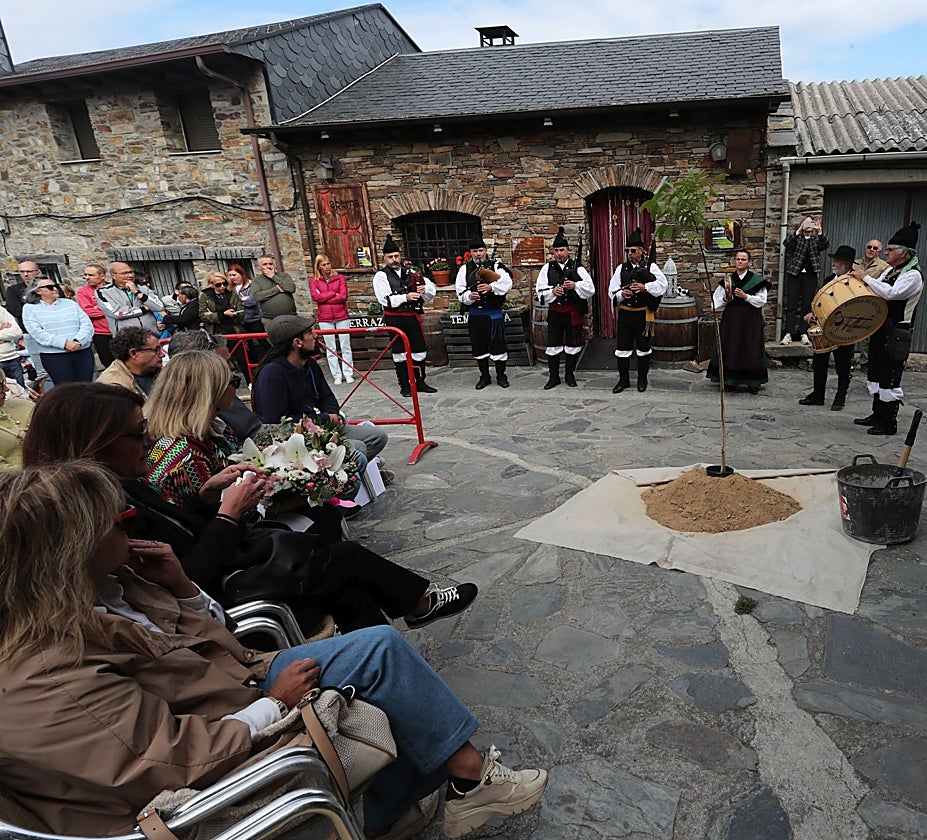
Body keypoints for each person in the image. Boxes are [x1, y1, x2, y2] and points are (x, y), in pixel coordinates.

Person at [0, 460, 544, 839]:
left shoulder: (112, 585)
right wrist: (274, 703)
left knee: (375, 644)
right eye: (119, 521)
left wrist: (183, 588)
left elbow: (217, 638)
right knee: (369, 637)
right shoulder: (45, 672)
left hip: (228, 682)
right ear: (74, 549)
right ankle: (463, 779)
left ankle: (422, 796)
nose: (131, 525)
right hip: (213, 744)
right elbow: (164, 762)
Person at [23, 382, 475, 635]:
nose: (148, 439)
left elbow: (176, 529)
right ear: (98, 443)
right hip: (223, 597)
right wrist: (228, 513)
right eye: (138, 433)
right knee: (343, 557)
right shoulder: (99, 517)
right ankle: (416, 607)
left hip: (232, 568)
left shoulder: (124, 483)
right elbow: (183, 576)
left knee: (349, 587)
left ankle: (385, 676)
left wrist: (207, 497)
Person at [252, 315, 391, 476]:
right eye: (310, 333)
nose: (316, 335)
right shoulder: (272, 374)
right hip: (294, 443)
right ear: (297, 343)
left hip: (320, 428)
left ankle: (356, 474)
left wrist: (332, 413)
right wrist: (323, 419)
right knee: (358, 449)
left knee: (377, 437)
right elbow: (276, 424)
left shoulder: (309, 364)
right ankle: (347, 481)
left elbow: (326, 396)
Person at [851, 221, 924, 436]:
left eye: (890, 249)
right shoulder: (890, 271)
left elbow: (891, 293)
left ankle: (888, 422)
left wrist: (865, 278)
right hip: (881, 328)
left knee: (889, 377)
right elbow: (877, 289)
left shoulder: (913, 275)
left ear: (904, 253)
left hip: (897, 333)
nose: (886, 253)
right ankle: (877, 414)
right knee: (875, 372)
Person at [169, 329, 262, 440]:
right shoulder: (186, 441)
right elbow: (251, 431)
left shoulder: (212, 415)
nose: (232, 366)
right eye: (224, 362)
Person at [374, 236, 437, 396]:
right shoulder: (381, 276)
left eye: (396, 256)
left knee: (419, 350)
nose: (394, 259)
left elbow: (430, 289)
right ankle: (405, 385)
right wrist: (405, 297)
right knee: (400, 352)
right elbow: (385, 299)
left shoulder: (411, 272)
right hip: (395, 318)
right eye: (390, 257)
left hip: (412, 317)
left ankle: (420, 381)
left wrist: (424, 289)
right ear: (384, 258)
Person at [608, 227, 667, 393]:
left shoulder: (651, 267)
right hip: (626, 314)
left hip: (643, 315)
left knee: (643, 349)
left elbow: (663, 286)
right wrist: (622, 294)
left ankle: (642, 380)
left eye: (633, 251)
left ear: (641, 250)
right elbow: (611, 290)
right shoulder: (621, 269)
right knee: (622, 349)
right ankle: (623, 380)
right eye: (627, 251)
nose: (630, 254)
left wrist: (644, 287)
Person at [535, 226, 595, 389]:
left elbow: (590, 289)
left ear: (568, 250)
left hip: (573, 313)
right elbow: (539, 290)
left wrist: (575, 285)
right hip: (555, 313)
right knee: (553, 345)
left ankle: (569, 375)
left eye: (562, 250)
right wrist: (552, 291)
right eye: (556, 251)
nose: (559, 254)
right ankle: (553, 377)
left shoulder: (578, 267)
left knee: (572, 345)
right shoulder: (547, 268)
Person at [799, 245, 858, 410]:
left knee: (843, 365)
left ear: (847, 263)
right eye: (834, 260)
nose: (834, 263)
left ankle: (840, 397)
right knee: (819, 362)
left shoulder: (856, 280)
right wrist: (813, 313)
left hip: (845, 329)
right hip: (825, 327)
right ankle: (818, 395)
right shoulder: (829, 279)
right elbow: (821, 300)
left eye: (837, 261)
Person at [707, 248, 768, 394]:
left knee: (751, 347)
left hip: (751, 320)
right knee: (731, 346)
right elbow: (714, 304)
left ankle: (752, 382)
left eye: (743, 259)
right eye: (738, 259)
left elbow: (762, 301)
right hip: (732, 320)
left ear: (748, 262)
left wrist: (746, 296)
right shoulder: (728, 281)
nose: (740, 261)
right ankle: (730, 381)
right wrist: (725, 299)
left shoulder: (757, 281)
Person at [455, 238, 514, 389]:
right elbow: (460, 290)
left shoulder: (495, 266)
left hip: (493, 314)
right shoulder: (465, 269)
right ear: (471, 253)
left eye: (481, 250)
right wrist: (469, 296)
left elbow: (507, 283)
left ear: (485, 251)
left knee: (498, 346)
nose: (478, 254)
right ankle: (485, 376)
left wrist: (491, 287)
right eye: (475, 251)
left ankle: (501, 376)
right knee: (479, 346)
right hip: (476, 315)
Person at [22, 277, 94, 386]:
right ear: (38, 291)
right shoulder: (29, 308)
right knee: (65, 389)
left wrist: (79, 341)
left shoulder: (70, 303)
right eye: (50, 287)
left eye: (56, 286)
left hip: (81, 351)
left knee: (87, 387)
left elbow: (86, 324)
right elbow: (37, 332)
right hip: (54, 356)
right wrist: (64, 344)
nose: (55, 289)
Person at [781, 216, 828, 344]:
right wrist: (799, 230)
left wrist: (819, 231)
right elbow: (786, 243)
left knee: (807, 305)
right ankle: (789, 333)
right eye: (806, 223)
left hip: (810, 276)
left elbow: (825, 245)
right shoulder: (798, 238)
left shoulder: (815, 240)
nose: (808, 225)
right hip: (794, 275)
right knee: (791, 305)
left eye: (810, 223)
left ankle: (803, 333)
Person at [311, 253, 357, 385]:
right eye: (323, 265)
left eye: (328, 264)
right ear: (318, 267)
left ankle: (348, 373)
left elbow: (343, 296)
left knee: (345, 345)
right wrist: (332, 293)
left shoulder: (339, 278)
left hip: (341, 315)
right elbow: (316, 297)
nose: (327, 267)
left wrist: (324, 296)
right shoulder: (314, 280)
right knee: (330, 348)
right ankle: (337, 375)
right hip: (325, 318)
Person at [99, 262, 165, 334]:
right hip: (126, 336)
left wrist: (137, 292)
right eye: (124, 273)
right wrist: (143, 309)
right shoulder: (104, 292)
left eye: (131, 272)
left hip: (150, 334)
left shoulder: (143, 288)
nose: (130, 275)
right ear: (113, 275)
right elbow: (117, 313)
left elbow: (159, 306)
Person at [97, 326, 163, 395]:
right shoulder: (112, 387)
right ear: (133, 353)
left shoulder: (157, 371)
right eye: (156, 350)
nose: (162, 354)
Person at [75, 263, 115, 367]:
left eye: (91, 275)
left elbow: (124, 307)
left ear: (102, 276)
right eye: (85, 275)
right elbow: (88, 312)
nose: (87, 278)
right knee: (109, 363)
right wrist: (113, 310)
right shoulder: (83, 292)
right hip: (101, 333)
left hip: (119, 330)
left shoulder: (114, 289)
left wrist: (98, 307)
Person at [252, 254, 298, 322]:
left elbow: (291, 288)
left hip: (290, 317)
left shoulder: (284, 276)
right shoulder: (257, 281)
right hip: (270, 319)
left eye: (270, 264)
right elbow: (257, 297)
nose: (268, 266)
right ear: (259, 267)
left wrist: (273, 276)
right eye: (265, 264)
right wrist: (277, 289)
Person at [0, 376, 34, 468]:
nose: (6, 389)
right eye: (0, 386)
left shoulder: (24, 405)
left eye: (3, 383)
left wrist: (47, 405)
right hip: (26, 475)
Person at [0, 304, 24, 386]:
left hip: (12, 358)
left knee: (20, 391)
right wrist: (5, 332)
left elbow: (17, 332)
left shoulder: (1, 310)